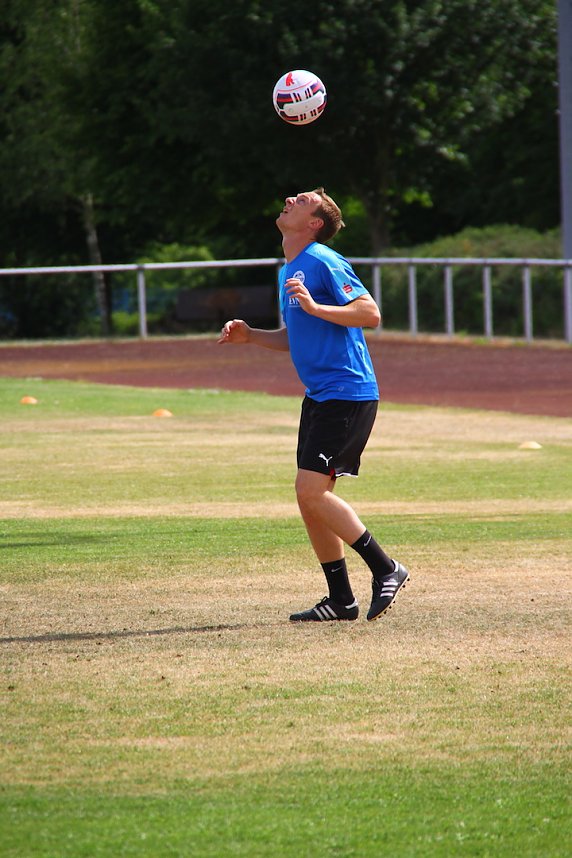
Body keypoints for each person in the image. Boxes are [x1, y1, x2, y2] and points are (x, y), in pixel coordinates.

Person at [218, 188, 409, 622]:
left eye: (301, 200)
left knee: (311, 491)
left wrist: (316, 305)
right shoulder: (293, 266)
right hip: (321, 397)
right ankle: (341, 600)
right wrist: (251, 336)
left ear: (315, 223)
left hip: (347, 392)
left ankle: (387, 568)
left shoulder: (322, 259)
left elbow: (369, 312)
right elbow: (297, 336)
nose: (288, 197)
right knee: (310, 499)